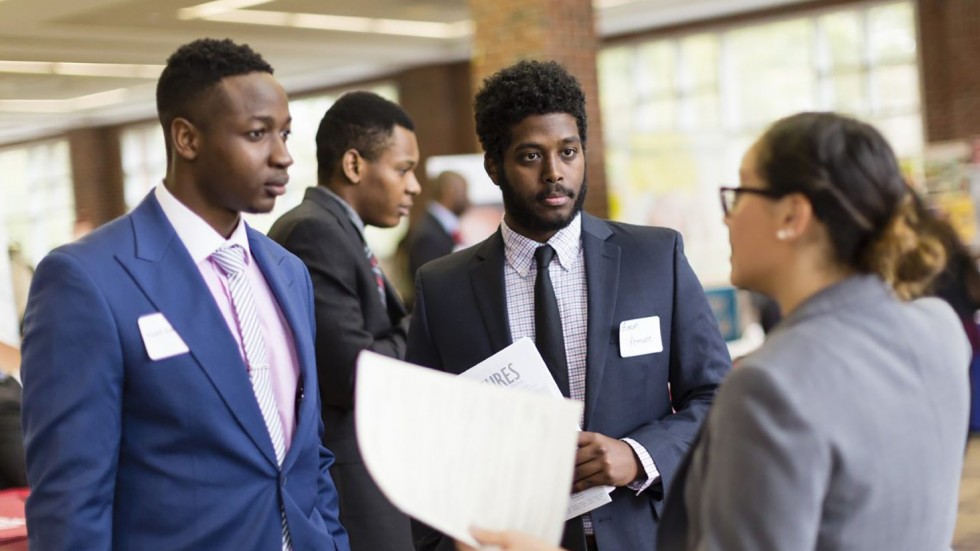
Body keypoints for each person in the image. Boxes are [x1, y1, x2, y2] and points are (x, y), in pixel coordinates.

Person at [455, 112, 971, 551]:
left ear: (792, 215)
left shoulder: (772, 385)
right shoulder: (937, 328)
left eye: (739, 194)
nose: (726, 219)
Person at [19, 38, 349, 551]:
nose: (283, 156)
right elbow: (70, 502)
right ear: (186, 139)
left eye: (284, 133)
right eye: (257, 134)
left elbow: (308, 454)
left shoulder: (287, 271)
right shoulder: (87, 281)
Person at [406, 60, 731, 551]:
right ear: (494, 164)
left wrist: (637, 455)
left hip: (646, 534)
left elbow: (715, 397)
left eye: (568, 152)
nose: (555, 173)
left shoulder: (654, 257)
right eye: (531, 156)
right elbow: (428, 442)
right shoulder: (442, 287)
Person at [268, 90, 420, 551]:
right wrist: (420, 324)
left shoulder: (339, 230)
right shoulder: (313, 231)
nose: (413, 186)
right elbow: (353, 374)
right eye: (403, 169)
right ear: (354, 165)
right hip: (351, 480)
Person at [405, 170, 470, 279]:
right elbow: (430, 282)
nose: (468, 199)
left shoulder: (444, 227)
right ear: (449, 191)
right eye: (464, 192)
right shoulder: (427, 235)